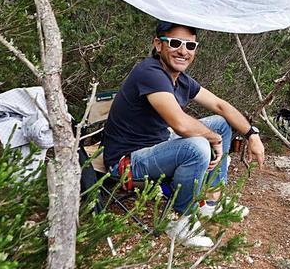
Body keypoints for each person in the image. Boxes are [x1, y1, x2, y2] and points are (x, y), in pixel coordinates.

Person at [102, 21, 265, 248]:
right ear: (158, 45)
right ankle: (180, 220)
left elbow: (220, 105)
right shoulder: (150, 73)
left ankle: (210, 201)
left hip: (155, 147)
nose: (183, 51)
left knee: (220, 123)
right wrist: (213, 139)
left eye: (190, 45)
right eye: (176, 43)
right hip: (127, 163)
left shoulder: (180, 79)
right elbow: (180, 124)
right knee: (196, 146)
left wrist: (252, 134)